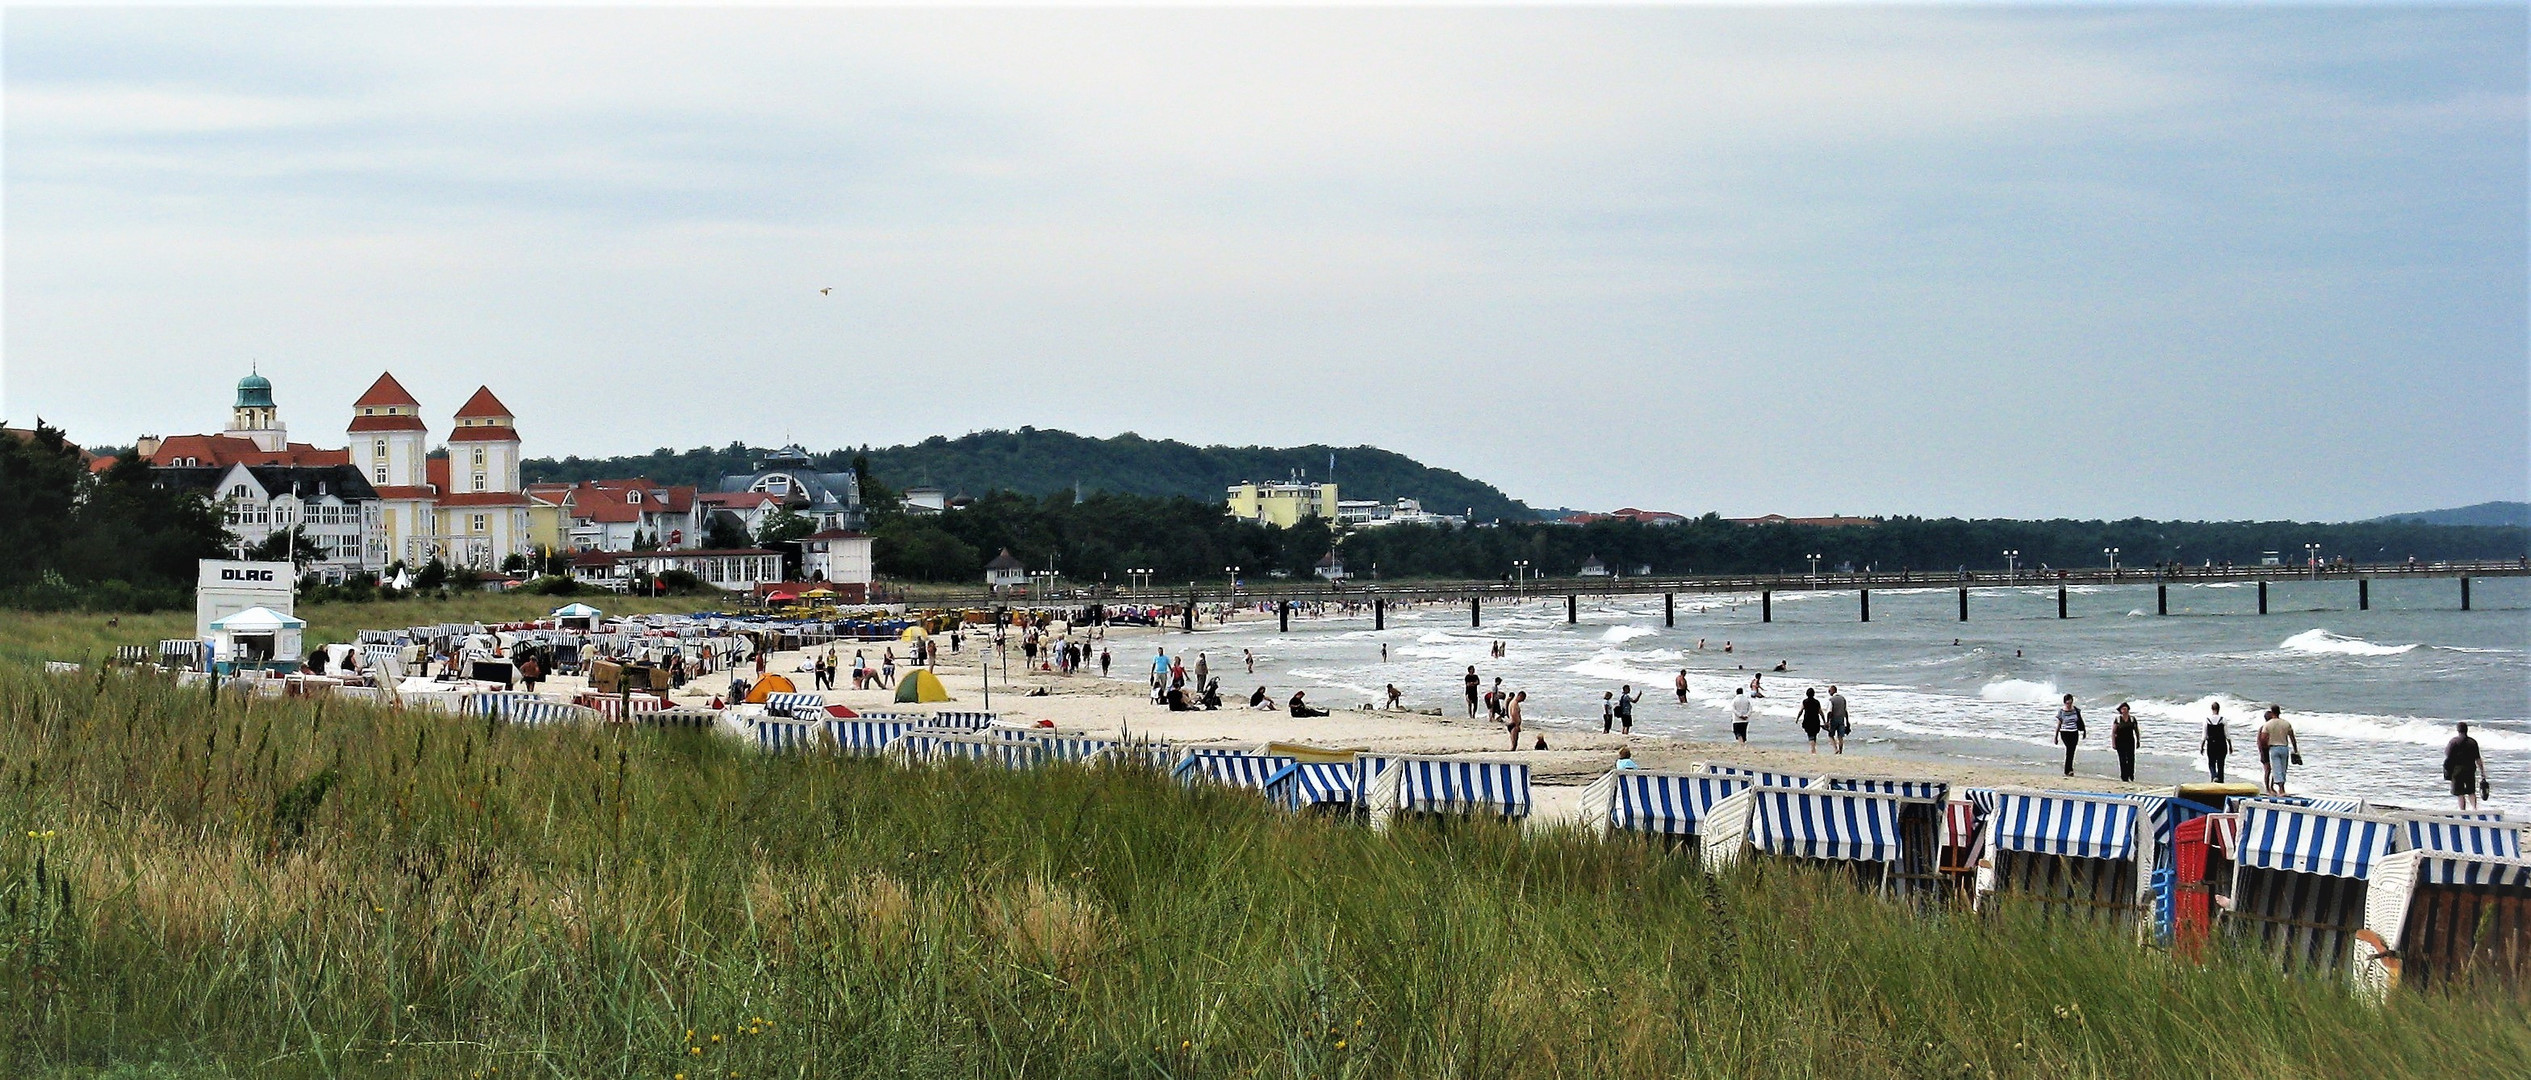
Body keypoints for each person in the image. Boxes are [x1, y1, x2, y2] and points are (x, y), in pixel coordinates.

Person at [2445, 722, 2486, 811]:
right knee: (2471, 791)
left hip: (2457, 771)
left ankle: (2463, 811)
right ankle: (2474, 809)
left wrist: (2447, 771)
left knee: (2460, 793)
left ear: (2458, 730)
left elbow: (2448, 756)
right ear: (2467, 730)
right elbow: (2478, 759)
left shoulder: (2453, 742)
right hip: (2470, 769)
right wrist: (2482, 772)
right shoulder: (2472, 742)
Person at [2261, 706, 2298, 795]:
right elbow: (2292, 737)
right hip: (2284, 747)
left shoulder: (2268, 724)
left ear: (2272, 712)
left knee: (2276, 768)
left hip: (2273, 747)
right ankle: (2282, 788)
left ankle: (2281, 789)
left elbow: (2263, 738)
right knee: (2283, 768)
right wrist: (2295, 749)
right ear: (2279, 712)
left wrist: (2266, 747)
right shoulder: (2286, 723)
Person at [2055, 694, 2085, 776]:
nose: (2069, 704)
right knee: (2069, 749)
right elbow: (2059, 724)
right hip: (2065, 732)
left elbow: (2080, 721)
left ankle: (2068, 769)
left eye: (2071, 703)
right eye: (2068, 703)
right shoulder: (2061, 711)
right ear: (2065, 702)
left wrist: (2084, 731)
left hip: (2074, 732)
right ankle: (2068, 770)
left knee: (2072, 751)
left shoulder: (2076, 710)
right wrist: (2056, 737)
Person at [2112, 702, 2140, 782]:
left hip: (2130, 741)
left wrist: (2138, 740)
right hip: (2120, 741)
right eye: (2123, 709)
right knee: (2122, 759)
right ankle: (2124, 776)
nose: (2124, 710)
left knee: (2131, 759)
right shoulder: (2118, 719)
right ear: (2120, 711)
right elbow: (2114, 732)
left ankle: (2131, 775)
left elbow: (2136, 730)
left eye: (2126, 708)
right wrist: (2113, 743)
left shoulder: (2132, 719)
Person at [2203, 702, 2231, 783]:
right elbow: (2227, 734)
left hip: (2211, 744)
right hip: (2222, 744)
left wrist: (2202, 746)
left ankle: (2214, 777)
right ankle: (2221, 781)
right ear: (2219, 709)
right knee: (2221, 763)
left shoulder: (2207, 720)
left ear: (2212, 709)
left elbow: (2204, 735)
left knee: (2211, 762)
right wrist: (2230, 745)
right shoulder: (2223, 719)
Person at [1798, 688, 1825, 754]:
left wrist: (1797, 718)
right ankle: (1813, 749)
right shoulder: (1816, 702)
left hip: (1807, 720)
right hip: (1815, 720)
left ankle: (1813, 749)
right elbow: (1820, 712)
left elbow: (1801, 711)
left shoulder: (1805, 701)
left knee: (1810, 734)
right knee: (1814, 734)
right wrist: (1824, 720)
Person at [1825, 686, 1850, 754]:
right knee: (1840, 737)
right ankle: (1841, 751)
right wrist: (1847, 721)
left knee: (1831, 735)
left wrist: (1827, 722)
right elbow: (1845, 711)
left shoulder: (1831, 700)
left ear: (1833, 690)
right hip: (1841, 720)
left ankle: (1836, 749)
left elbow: (1829, 711)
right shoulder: (1843, 699)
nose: (1829, 692)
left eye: (1829, 691)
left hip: (1833, 720)